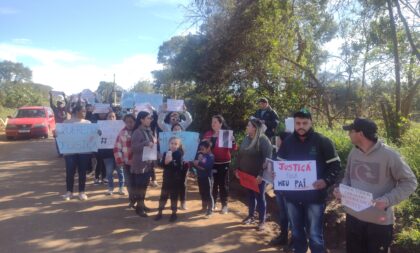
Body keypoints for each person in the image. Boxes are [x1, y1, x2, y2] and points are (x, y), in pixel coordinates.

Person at [334, 118, 417, 253]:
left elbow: (410, 182)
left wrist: (388, 200)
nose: (348, 134)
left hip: (379, 222)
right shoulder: (354, 152)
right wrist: (342, 189)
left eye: (351, 131)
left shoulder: (389, 155)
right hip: (352, 218)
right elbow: (347, 177)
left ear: (360, 134)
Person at [277, 109, 341, 253]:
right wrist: (276, 174)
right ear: (294, 123)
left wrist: (326, 180)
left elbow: (335, 165)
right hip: (292, 197)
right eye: (298, 123)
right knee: (296, 231)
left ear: (311, 122)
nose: (301, 126)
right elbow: (279, 164)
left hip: (315, 197)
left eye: (305, 123)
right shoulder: (287, 142)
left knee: (315, 234)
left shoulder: (323, 141)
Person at [235, 118, 273, 230]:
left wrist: (261, 174)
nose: (247, 127)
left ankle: (262, 221)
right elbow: (240, 154)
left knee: (260, 197)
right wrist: (237, 169)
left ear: (255, 128)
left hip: (259, 176)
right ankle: (251, 216)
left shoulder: (264, 141)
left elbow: (267, 159)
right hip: (247, 174)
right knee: (250, 195)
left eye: (248, 125)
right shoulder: (246, 139)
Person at [202, 115, 237, 214]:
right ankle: (212, 204)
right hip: (211, 163)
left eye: (215, 122)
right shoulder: (208, 134)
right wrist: (203, 143)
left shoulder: (225, 134)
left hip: (223, 163)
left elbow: (234, 149)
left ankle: (224, 205)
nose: (213, 124)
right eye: (212, 122)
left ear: (221, 123)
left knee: (223, 184)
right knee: (212, 184)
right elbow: (202, 148)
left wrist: (233, 141)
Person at [61, 104, 91, 201]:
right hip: (70, 152)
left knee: (82, 172)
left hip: (84, 152)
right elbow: (61, 136)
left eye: (85, 111)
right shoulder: (66, 123)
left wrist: (97, 133)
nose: (85, 113)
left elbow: (92, 137)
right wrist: (56, 133)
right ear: (77, 112)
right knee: (70, 172)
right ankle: (69, 192)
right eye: (83, 111)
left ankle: (81, 192)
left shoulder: (88, 123)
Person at [131, 111, 157, 217]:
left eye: (150, 118)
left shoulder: (149, 131)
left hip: (148, 163)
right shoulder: (137, 132)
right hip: (139, 164)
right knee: (140, 187)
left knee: (144, 186)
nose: (150, 120)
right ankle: (139, 208)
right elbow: (134, 148)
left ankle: (141, 205)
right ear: (141, 119)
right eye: (148, 118)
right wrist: (146, 143)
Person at [155, 137, 185, 222]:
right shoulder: (166, 153)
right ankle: (160, 212)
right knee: (163, 196)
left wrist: (171, 162)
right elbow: (161, 165)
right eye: (172, 143)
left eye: (175, 144)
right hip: (166, 179)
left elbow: (180, 167)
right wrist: (163, 162)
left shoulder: (179, 154)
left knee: (174, 196)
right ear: (169, 144)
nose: (173, 145)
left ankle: (174, 213)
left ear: (178, 145)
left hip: (175, 180)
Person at [270, 131, 292, 246]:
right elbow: (272, 166)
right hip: (279, 190)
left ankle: (294, 241)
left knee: (292, 216)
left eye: (278, 139)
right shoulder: (277, 153)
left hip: (289, 193)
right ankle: (283, 236)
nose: (276, 141)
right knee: (283, 214)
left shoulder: (293, 154)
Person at [100, 111, 125, 196]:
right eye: (109, 116)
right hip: (107, 154)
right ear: (106, 118)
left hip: (119, 152)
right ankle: (110, 188)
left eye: (113, 116)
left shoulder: (120, 127)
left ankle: (121, 188)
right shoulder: (102, 127)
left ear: (116, 118)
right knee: (109, 172)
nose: (111, 118)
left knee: (120, 171)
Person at [114, 114, 136, 208]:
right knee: (129, 182)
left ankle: (140, 201)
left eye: (131, 121)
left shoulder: (139, 131)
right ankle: (132, 200)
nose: (129, 124)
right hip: (127, 163)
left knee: (138, 183)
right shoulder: (121, 133)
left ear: (135, 121)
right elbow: (116, 149)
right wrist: (120, 160)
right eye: (127, 122)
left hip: (139, 163)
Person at [193, 140, 215, 218]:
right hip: (200, 177)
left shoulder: (211, 156)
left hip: (207, 178)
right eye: (200, 149)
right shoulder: (201, 155)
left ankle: (210, 209)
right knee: (202, 192)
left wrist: (198, 163)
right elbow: (195, 165)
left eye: (203, 149)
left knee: (208, 193)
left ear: (208, 148)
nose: (201, 151)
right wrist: (198, 164)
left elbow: (206, 167)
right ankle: (204, 207)